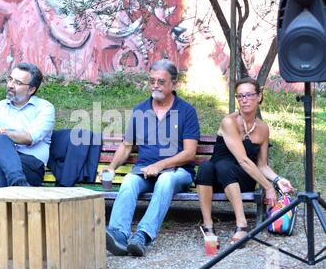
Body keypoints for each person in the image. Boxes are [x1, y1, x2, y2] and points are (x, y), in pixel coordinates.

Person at [102, 59, 200, 257]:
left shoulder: (186, 111)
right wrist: (112, 167)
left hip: (177, 172)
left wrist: (161, 165)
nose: (155, 85)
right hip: (145, 171)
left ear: (174, 84)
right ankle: (119, 235)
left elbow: (190, 153)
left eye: (161, 81)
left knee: (165, 179)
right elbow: (127, 145)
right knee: (129, 180)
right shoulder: (140, 110)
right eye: (152, 80)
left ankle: (142, 236)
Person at [195, 77, 294, 246]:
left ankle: (241, 226)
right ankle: (208, 227)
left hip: (242, 181)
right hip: (216, 180)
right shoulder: (229, 122)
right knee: (206, 167)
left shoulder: (263, 128)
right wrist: (268, 187)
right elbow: (242, 159)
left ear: (259, 96)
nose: (244, 100)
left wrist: (277, 180)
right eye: (240, 96)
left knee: (225, 167)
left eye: (249, 95)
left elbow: (262, 164)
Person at [0, 62, 55, 188]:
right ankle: (19, 182)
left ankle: (14, 185)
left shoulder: (45, 108)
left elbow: (30, 137)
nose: (10, 85)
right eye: (10, 79)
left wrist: (1, 133)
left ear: (31, 89)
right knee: (0, 143)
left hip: (30, 165)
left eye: (18, 83)